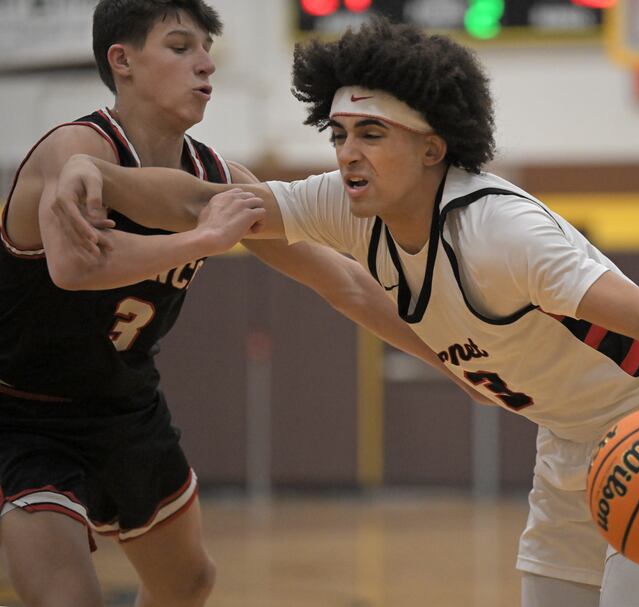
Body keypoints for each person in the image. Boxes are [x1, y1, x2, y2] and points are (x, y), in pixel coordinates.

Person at [57, 17, 639, 607]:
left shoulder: (501, 233)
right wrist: (96, 174)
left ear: (432, 146)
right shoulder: (349, 205)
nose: (347, 153)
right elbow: (204, 204)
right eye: (338, 134)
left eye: (371, 133)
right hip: (569, 442)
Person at [0, 4, 479, 606]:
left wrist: (452, 361)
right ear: (122, 61)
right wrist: (201, 240)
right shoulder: (74, 149)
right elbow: (74, 268)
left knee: (190, 582)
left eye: (207, 48)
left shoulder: (217, 176)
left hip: (124, 405)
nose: (205, 64)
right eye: (180, 47)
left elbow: (346, 283)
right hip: (24, 411)